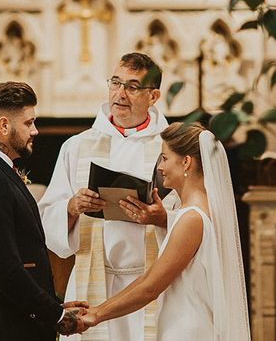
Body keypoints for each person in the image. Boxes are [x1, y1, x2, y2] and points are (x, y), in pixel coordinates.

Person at [38, 52, 171, 341]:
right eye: (115, 83)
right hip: (93, 280)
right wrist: (72, 208)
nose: (120, 94)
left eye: (133, 87)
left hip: (154, 284)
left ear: (154, 96)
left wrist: (162, 218)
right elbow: (47, 217)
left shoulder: (171, 147)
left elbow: (195, 216)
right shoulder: (77, 146)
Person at [80, 122, 251, 340]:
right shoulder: (186, 211)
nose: (160, 167)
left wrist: (97, 315)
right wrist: (96, 310)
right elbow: (149, 277)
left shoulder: (192, 218)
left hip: (189, 330)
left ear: (186, 162)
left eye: (165, 158)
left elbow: (151, 287)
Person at [0, 81, 87, 340]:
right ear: (3, 125)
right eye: (28, 123)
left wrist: (53, 305)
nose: (35, 131)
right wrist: (55, 315)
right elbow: (5, 269)